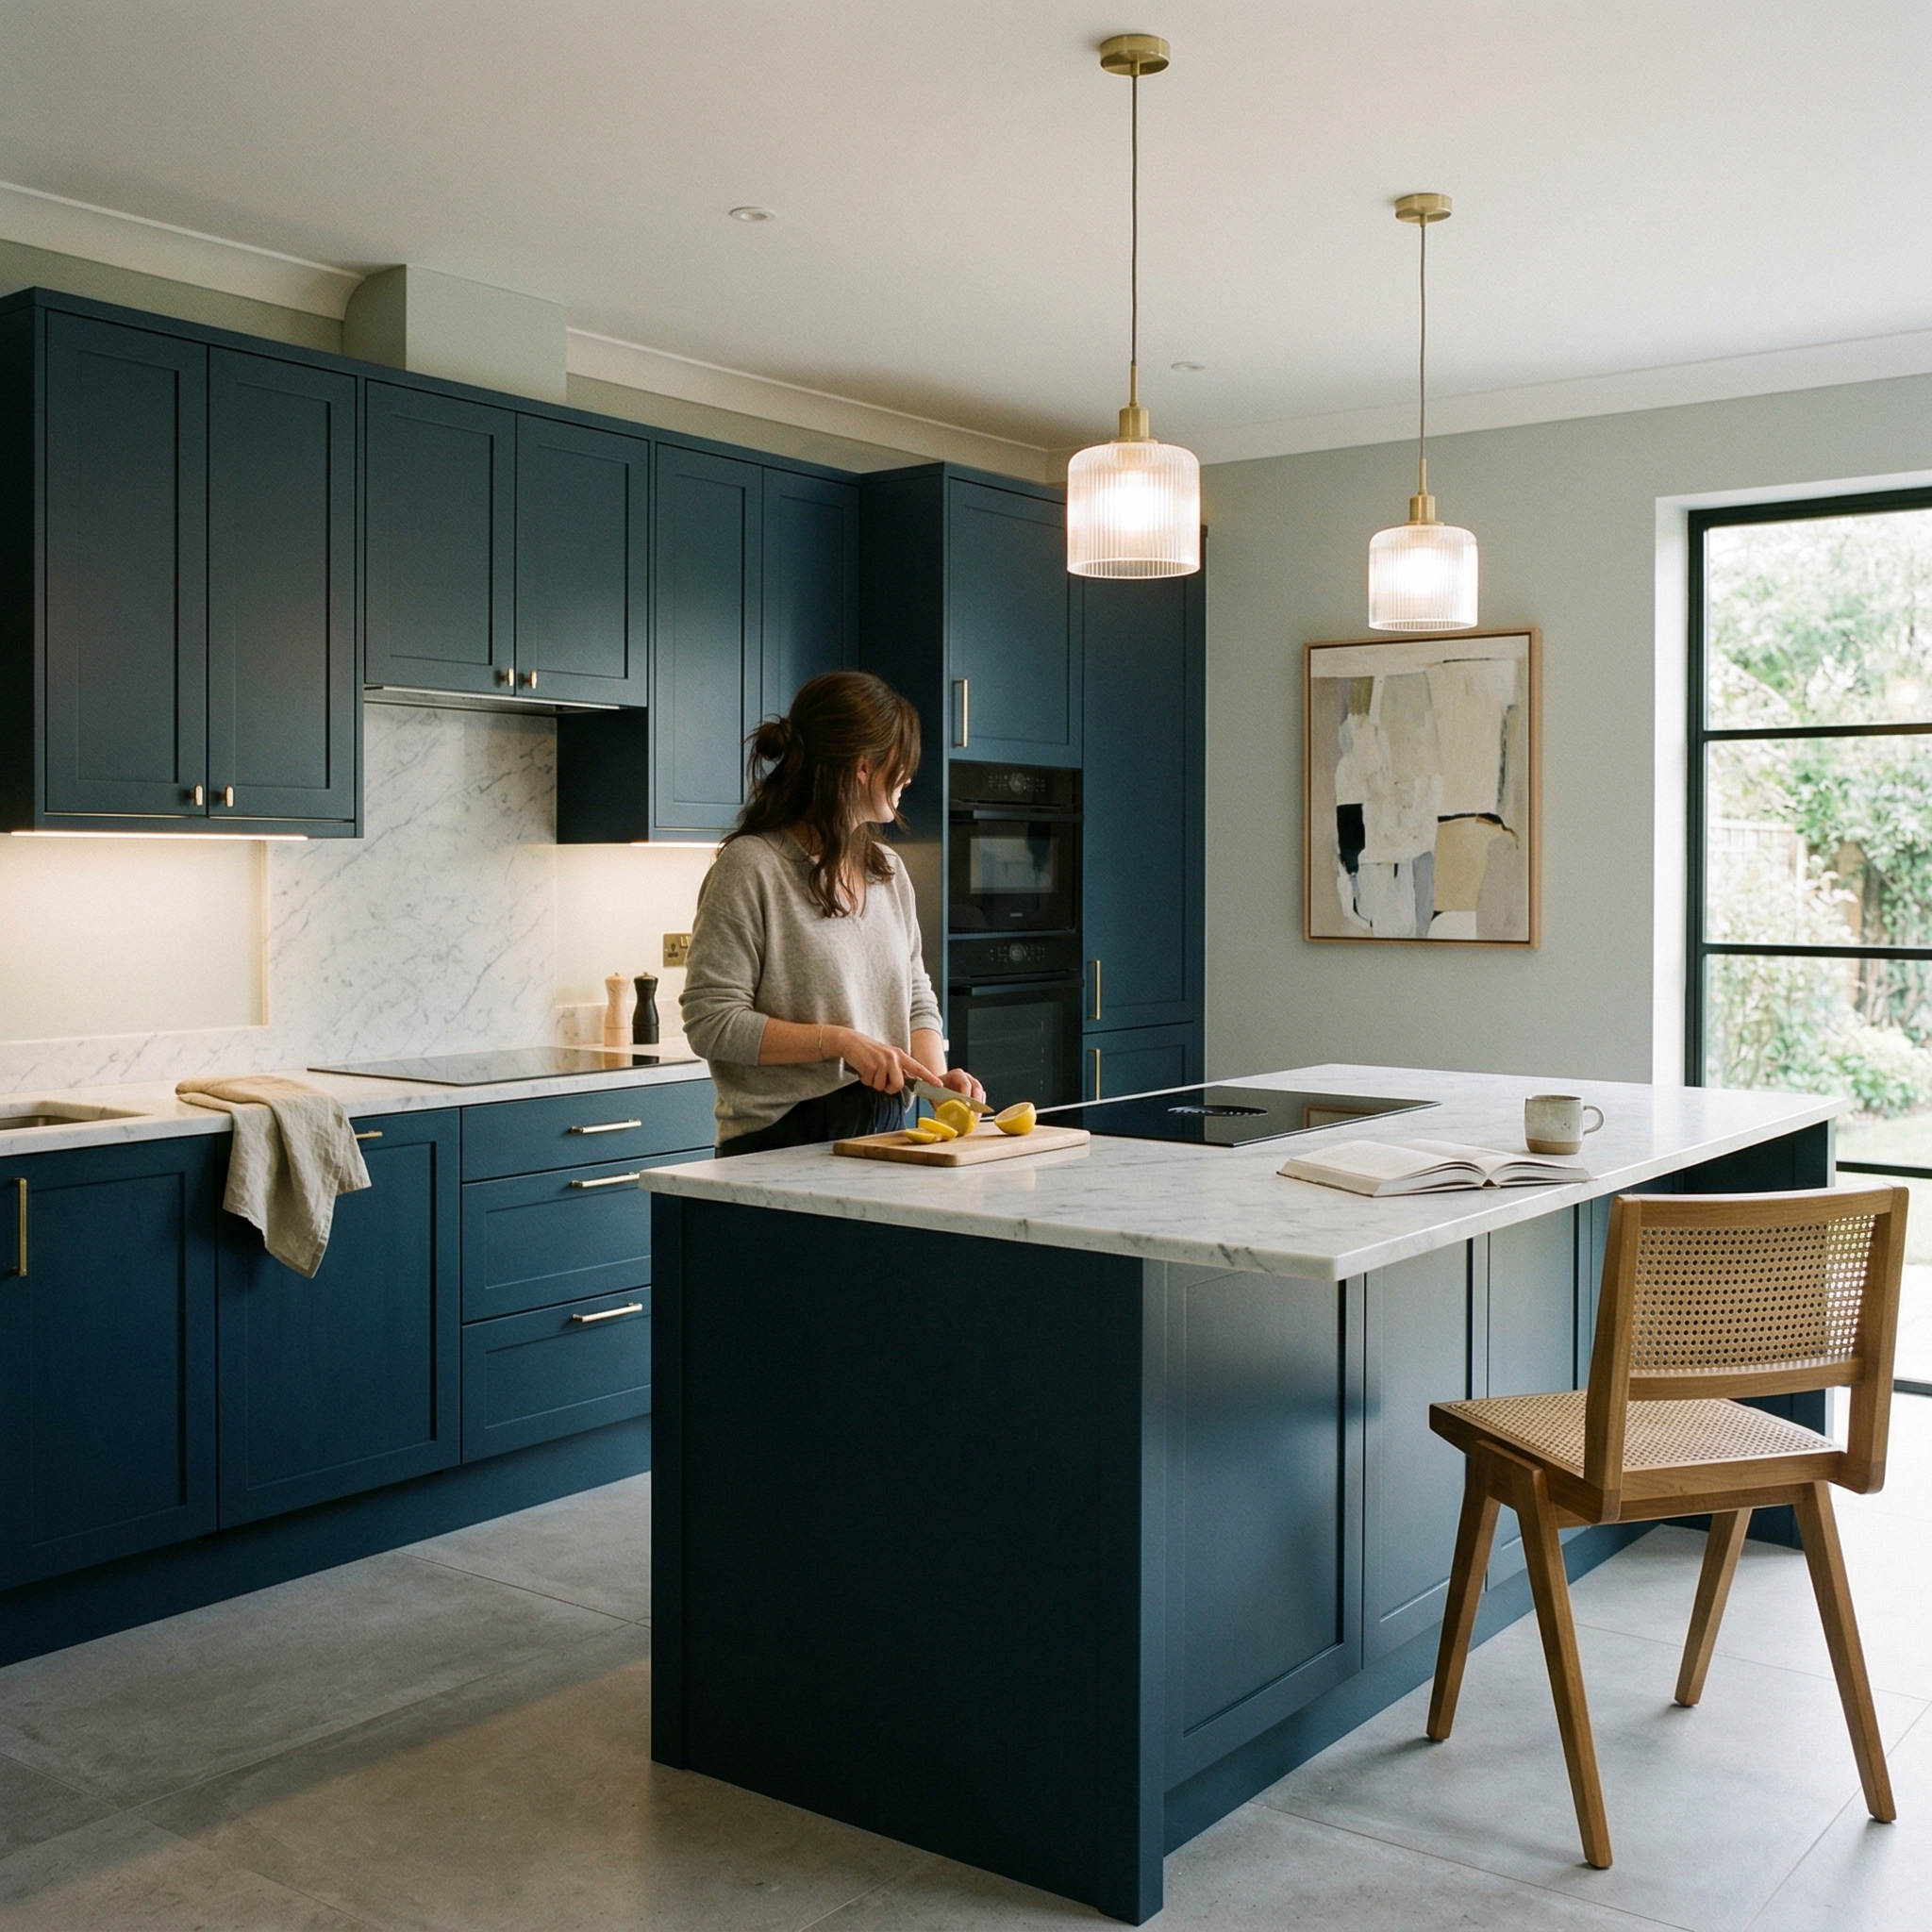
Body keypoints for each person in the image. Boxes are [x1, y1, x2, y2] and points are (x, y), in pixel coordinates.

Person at [681, 669, 985, 1155]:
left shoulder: (888, 870)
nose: (909, 777)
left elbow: (915, 997)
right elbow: (711, 1022)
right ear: (863, 766)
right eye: (900, 761)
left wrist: (937, 1081)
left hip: (884, 1128)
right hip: (782, 1142)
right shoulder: (751, 867)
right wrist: (840, 1043)